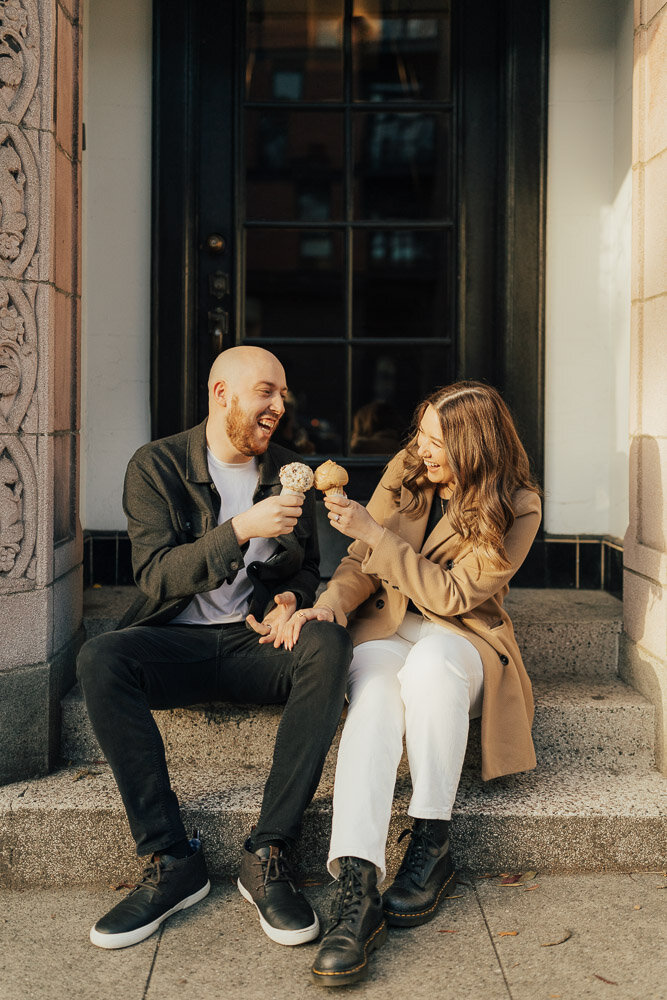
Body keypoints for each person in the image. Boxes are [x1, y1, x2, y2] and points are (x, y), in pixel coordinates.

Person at [77, 346, 352, 951]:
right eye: (265, 392)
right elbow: (156, 578)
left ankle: (269, 850)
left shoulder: (287, 469)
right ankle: (171, 859)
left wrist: (289, 601)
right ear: (221, 394)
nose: (279, 405)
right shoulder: (156, 467)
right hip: (174, 643)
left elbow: (301, 570)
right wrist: (241, 529)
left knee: (329, 641)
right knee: (101, 659)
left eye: (282, 394)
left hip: (253, 646)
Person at [281, 381, 541, 986]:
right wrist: (332, 607)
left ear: (475, 448)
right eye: (420, 435)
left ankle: (431, 842)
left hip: (465, 636)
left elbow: (453, 595)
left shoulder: (517, 505)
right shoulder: (407, 471)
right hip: (387, 626)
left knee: (429, 670)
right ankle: (358, 884)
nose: (421, 451)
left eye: (437, 443)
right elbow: (356, 565)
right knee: (373, 697)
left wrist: (375, 533)